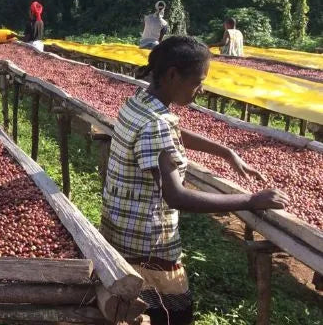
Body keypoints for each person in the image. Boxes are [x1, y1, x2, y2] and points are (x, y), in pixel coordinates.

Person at [100, 36, 288, 325]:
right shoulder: (156, 124)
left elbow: (171, 132)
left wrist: (226, 151)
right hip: (147, 244)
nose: (200, 90)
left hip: (120, 229)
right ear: (172, 74)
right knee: (173, 316)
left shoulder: (139, 102)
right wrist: (250, 200)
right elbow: (176, 196)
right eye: (197, 82)